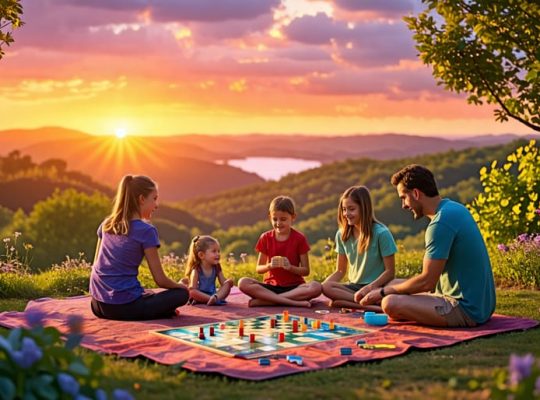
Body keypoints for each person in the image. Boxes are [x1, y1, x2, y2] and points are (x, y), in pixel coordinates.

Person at [360, 164, 496, 327]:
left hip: (466, 310)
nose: (403, 205)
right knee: (392, 284)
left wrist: (383, 292)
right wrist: (379, 287)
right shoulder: (454, 208)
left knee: (390, 302)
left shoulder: (440, 223)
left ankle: (391, 302)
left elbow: (427, 282)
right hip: (482, 306)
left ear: (416, 193)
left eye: (404, 197)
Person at [89, 175, 189, 320]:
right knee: (181, 294)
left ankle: (157, 308)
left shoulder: (107, 224)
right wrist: (181, 287)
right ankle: (161, 309)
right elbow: (160, 280)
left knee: (148, 294)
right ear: (142, 199)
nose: (156, 205)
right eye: (154, 199)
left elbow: (96, 264)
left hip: (97, 304)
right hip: (125, 307)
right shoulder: (147, 231)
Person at [322, 186, 397, 311]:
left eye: (351, 209)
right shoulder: (341, 234)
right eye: (344, 210)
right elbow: (340, 271)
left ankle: (352, 302)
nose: (346, 214)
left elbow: (390, 272)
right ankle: (369, 304)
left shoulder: (381, 233)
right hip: (354, 287)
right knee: (327, 287)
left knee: (336, 301)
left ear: (364, 208)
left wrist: (369, 288)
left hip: (376, 287)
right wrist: (323, 287)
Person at [238, 195, 322, 307]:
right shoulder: (265, 237)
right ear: (270, 217)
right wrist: (269, 266)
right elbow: (259, 269)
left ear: (293, 217)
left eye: (283, 219)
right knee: (243, 282)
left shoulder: (299, 239)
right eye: (275, 219)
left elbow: (306, 271)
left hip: (294, 287)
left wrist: (290, 267)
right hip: (271, 287)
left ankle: (268, 301)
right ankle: (289, 302)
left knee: (316, 287)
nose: (278, 223)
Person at [184, 235, 233, 305]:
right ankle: (211, 299)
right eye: (214, 251)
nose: (218, 254)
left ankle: (215, 298)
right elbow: (192, 289)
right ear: (201, 255)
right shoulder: (196, 269)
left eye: (218, 251)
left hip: (213, 294)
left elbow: (223, 282)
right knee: (192, 291)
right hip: (200, 295)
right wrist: (209, 297)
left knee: (227, 284)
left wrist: (229, 282)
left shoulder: (216, 267)